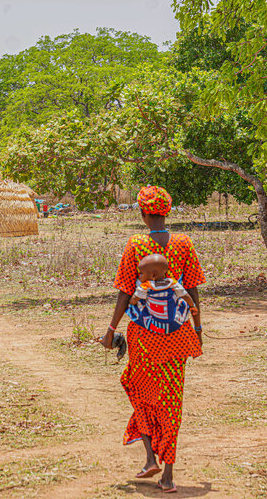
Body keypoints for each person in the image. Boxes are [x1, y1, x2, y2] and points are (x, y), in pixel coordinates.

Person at [99, 185, 204, 494]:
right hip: (177, 336)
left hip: (144, 337)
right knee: (171, 401)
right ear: (166, 211)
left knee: (141, 390)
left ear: (144, 213)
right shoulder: (184, 244)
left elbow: (125, 292)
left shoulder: (136, 244)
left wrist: (110, 330)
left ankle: (149, 457)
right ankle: (167, 474)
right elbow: (194, 290)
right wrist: (197, 330)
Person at [128, 253, 199, 335]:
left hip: (155, 325)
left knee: (133, 306)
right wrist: (192, 306)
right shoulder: (173, 283)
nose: (139, 276)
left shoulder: (146, 286)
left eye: (141, 273)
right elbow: (185, 296)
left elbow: (133, 301)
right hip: (174, 324)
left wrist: (130, 302)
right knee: (181, 300)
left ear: (153, 275)